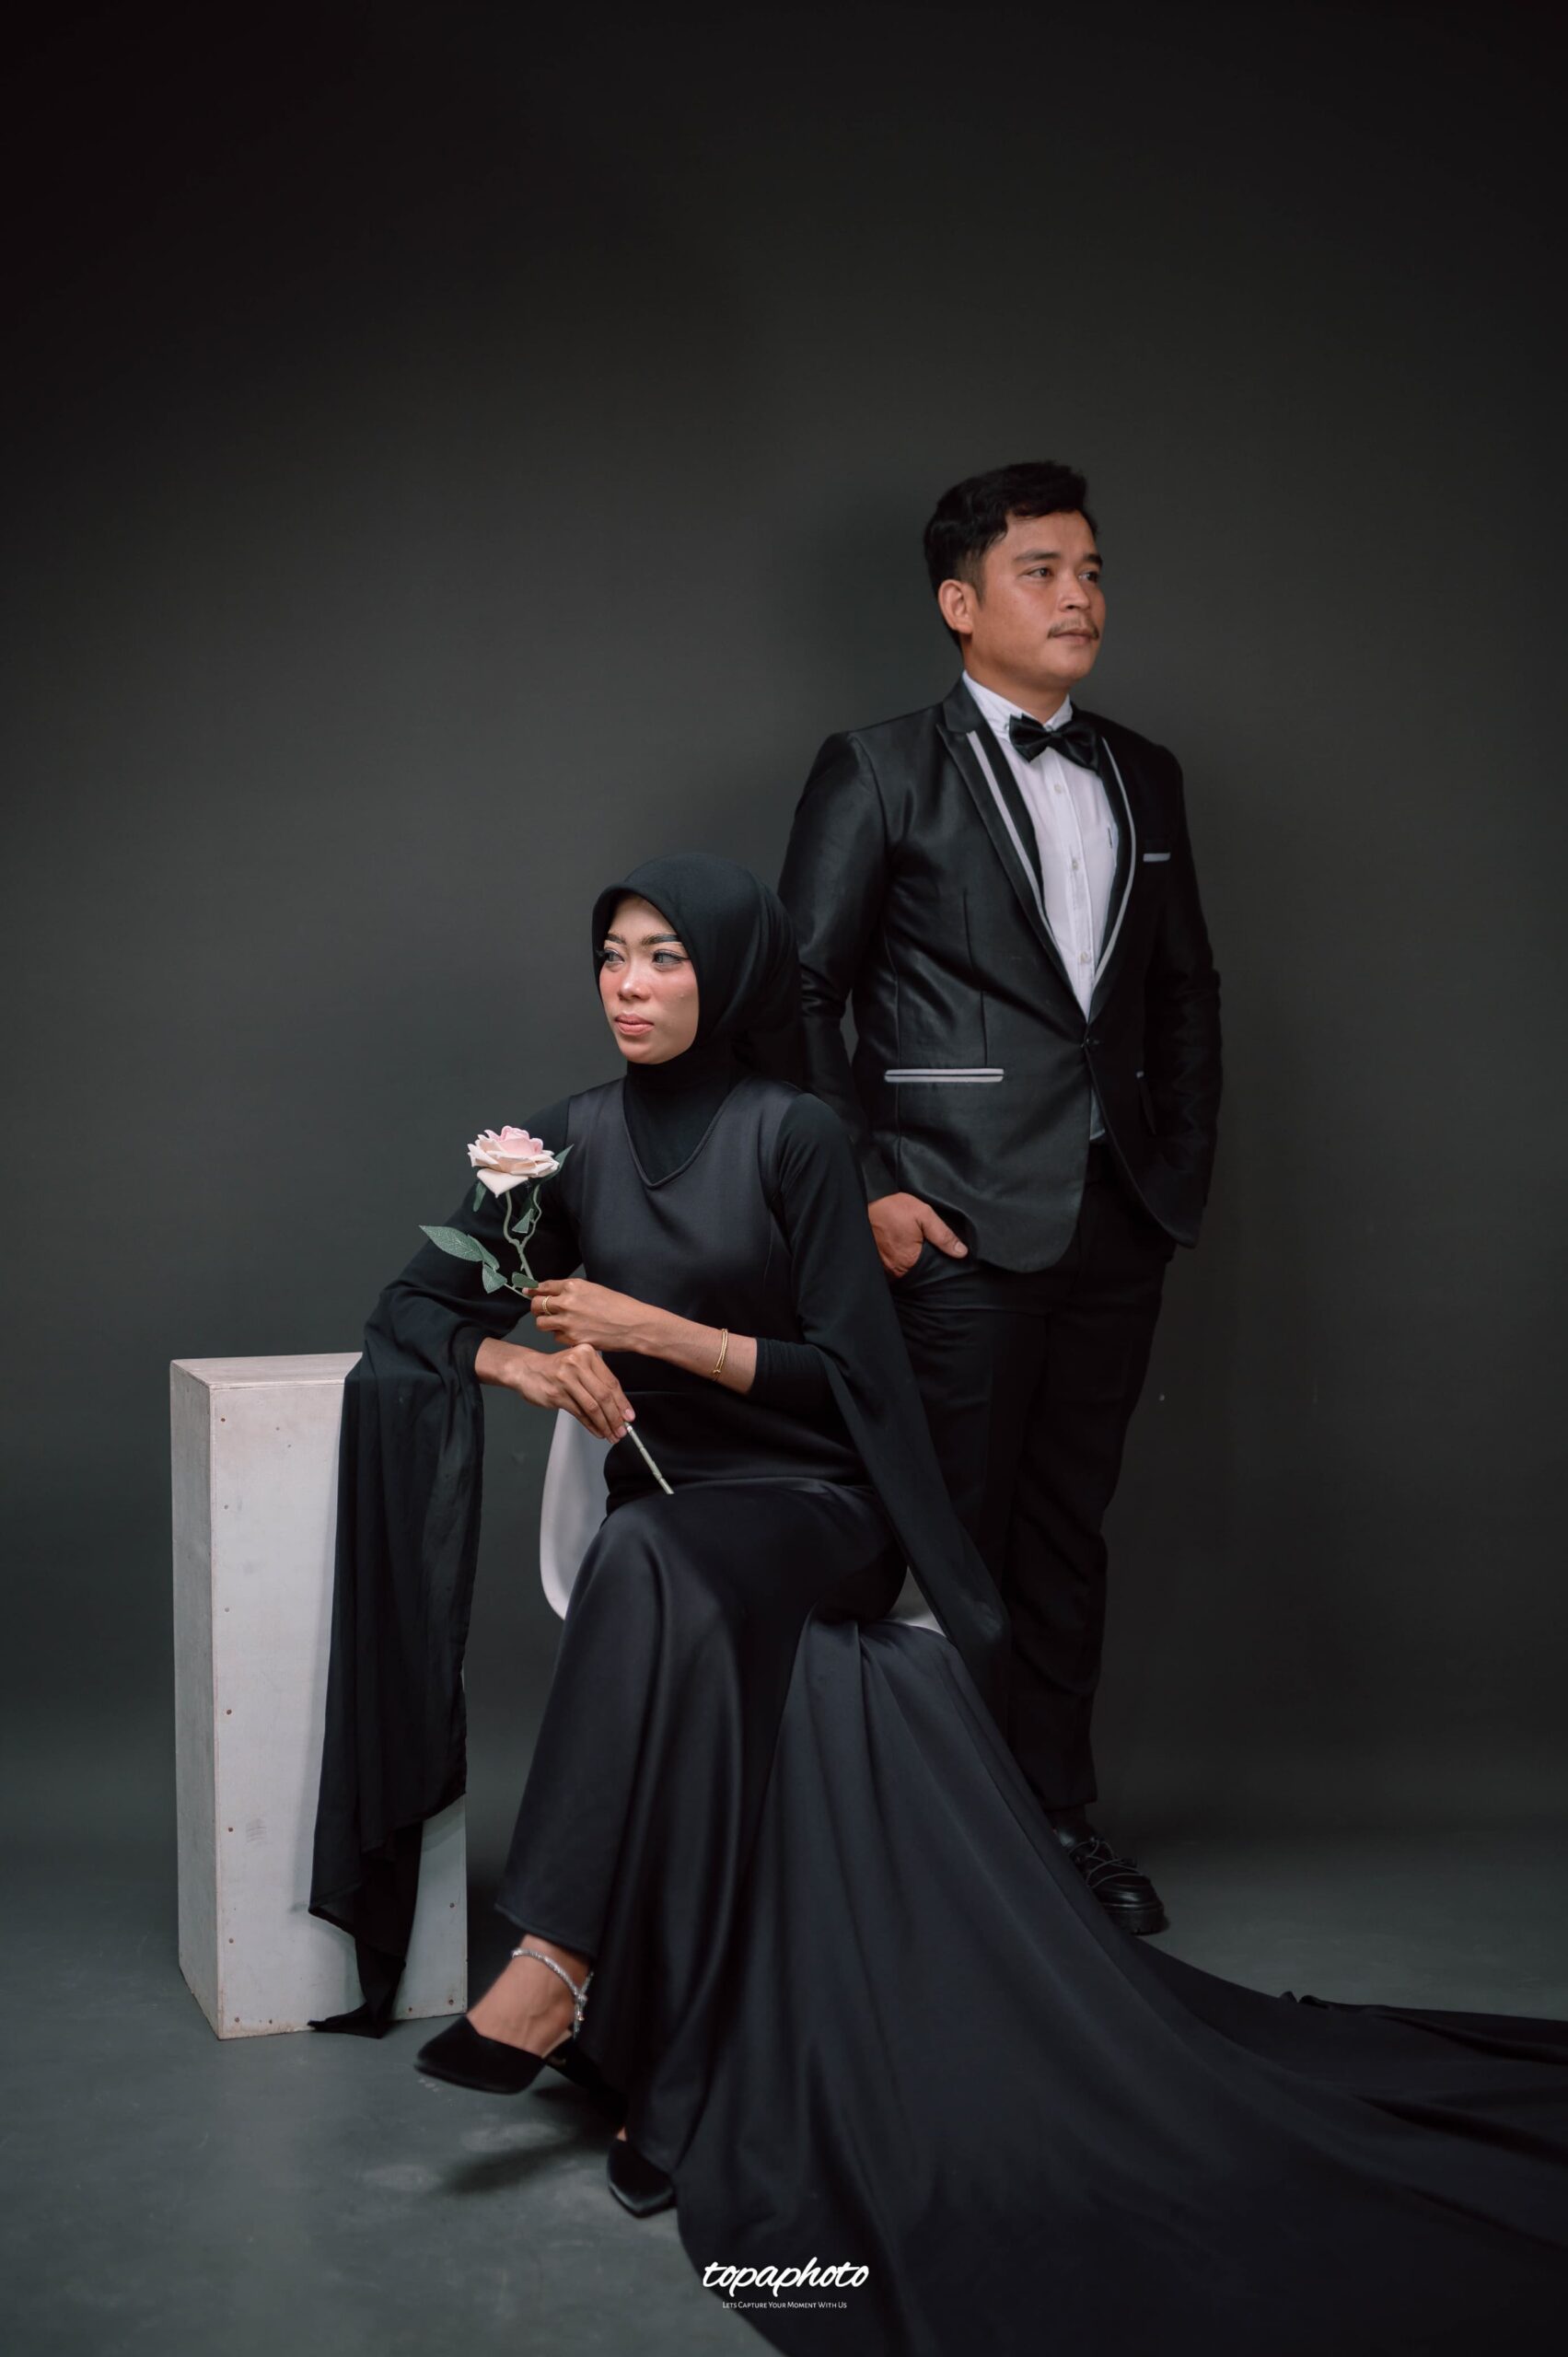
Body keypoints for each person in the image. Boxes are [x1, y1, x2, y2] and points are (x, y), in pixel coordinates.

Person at [310, 855, 1567, 2356]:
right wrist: (518, 1362)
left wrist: (657, 1332)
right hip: (680, 1524)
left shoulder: (797, 1133)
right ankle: (671, 2067)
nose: (628, 985)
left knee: (654, 1560)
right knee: (653, 1558)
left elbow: (858, 1388)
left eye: (664, 957)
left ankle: (558, 1964)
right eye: (612, 957)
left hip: (820, 1508)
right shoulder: (560, 1142)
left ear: (731, 972)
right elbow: (414, 1306)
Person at [779, 459, 1222, 1934]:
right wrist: (871, 1191)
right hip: (951, 1220)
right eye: (1043, 571)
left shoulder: (1144, 772)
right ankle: (924, 1836)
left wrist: (1171, 1172)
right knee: (941, 1536)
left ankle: (1054, 1826)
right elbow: (796, 994)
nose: (1079, 596)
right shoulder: (878, 768)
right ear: (961, 605)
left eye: (1091, 571)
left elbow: (1184, 993)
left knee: (1066, 1532)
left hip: (1116, 1217)